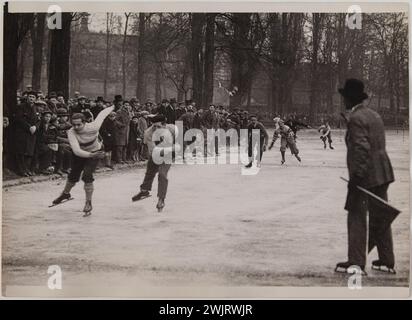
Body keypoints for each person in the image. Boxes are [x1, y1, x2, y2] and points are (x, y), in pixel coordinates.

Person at [335, 79, 396, 274]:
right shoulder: (374, 115)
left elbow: (361, 149)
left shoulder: (356, 118)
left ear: (349, 98)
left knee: (356, 216)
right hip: (383, 172)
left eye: (344, 97)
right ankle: (387, 260)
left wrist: (357, 178)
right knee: (381, 215)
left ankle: (356, 262)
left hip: (366, 175)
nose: (343, 101)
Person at [51, 105, 115, 216]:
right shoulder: (71, 132)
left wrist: (113, 106)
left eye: (79, 124)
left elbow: (102, 114)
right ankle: (65, 193)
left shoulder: (94, 126)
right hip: (83, 153)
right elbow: (76, 151)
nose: (76, 127)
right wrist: (91, 155)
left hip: (95, 152)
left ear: (84, 122)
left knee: (87, 175)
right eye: (73, 124)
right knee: (73, 174)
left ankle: (88, 202)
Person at [131, 114, 180, 211]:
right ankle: (144, 190)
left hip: (168, 155)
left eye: (159, 126)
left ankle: (161, 199)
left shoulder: (173, 129)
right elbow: (154, 151)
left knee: (162, 175)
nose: (156, 129)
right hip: (155, 153)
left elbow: (178, 143)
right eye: (154, 126)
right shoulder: (148, 132)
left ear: (164, 125)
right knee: (150, 172)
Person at [13, 91, 39, 176]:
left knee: (29, 152)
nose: (31, 99)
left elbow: (39, 120)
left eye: (33, 97)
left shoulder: (36, 108)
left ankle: (27, 169)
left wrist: (35, 126)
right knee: (21, 152)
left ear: (35, 99)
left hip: (32, 133)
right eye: (30, 97)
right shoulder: (21, 107)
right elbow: (19, 119)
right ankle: (21, 170)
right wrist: (29, 127)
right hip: (22, 132)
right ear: (27, 98)